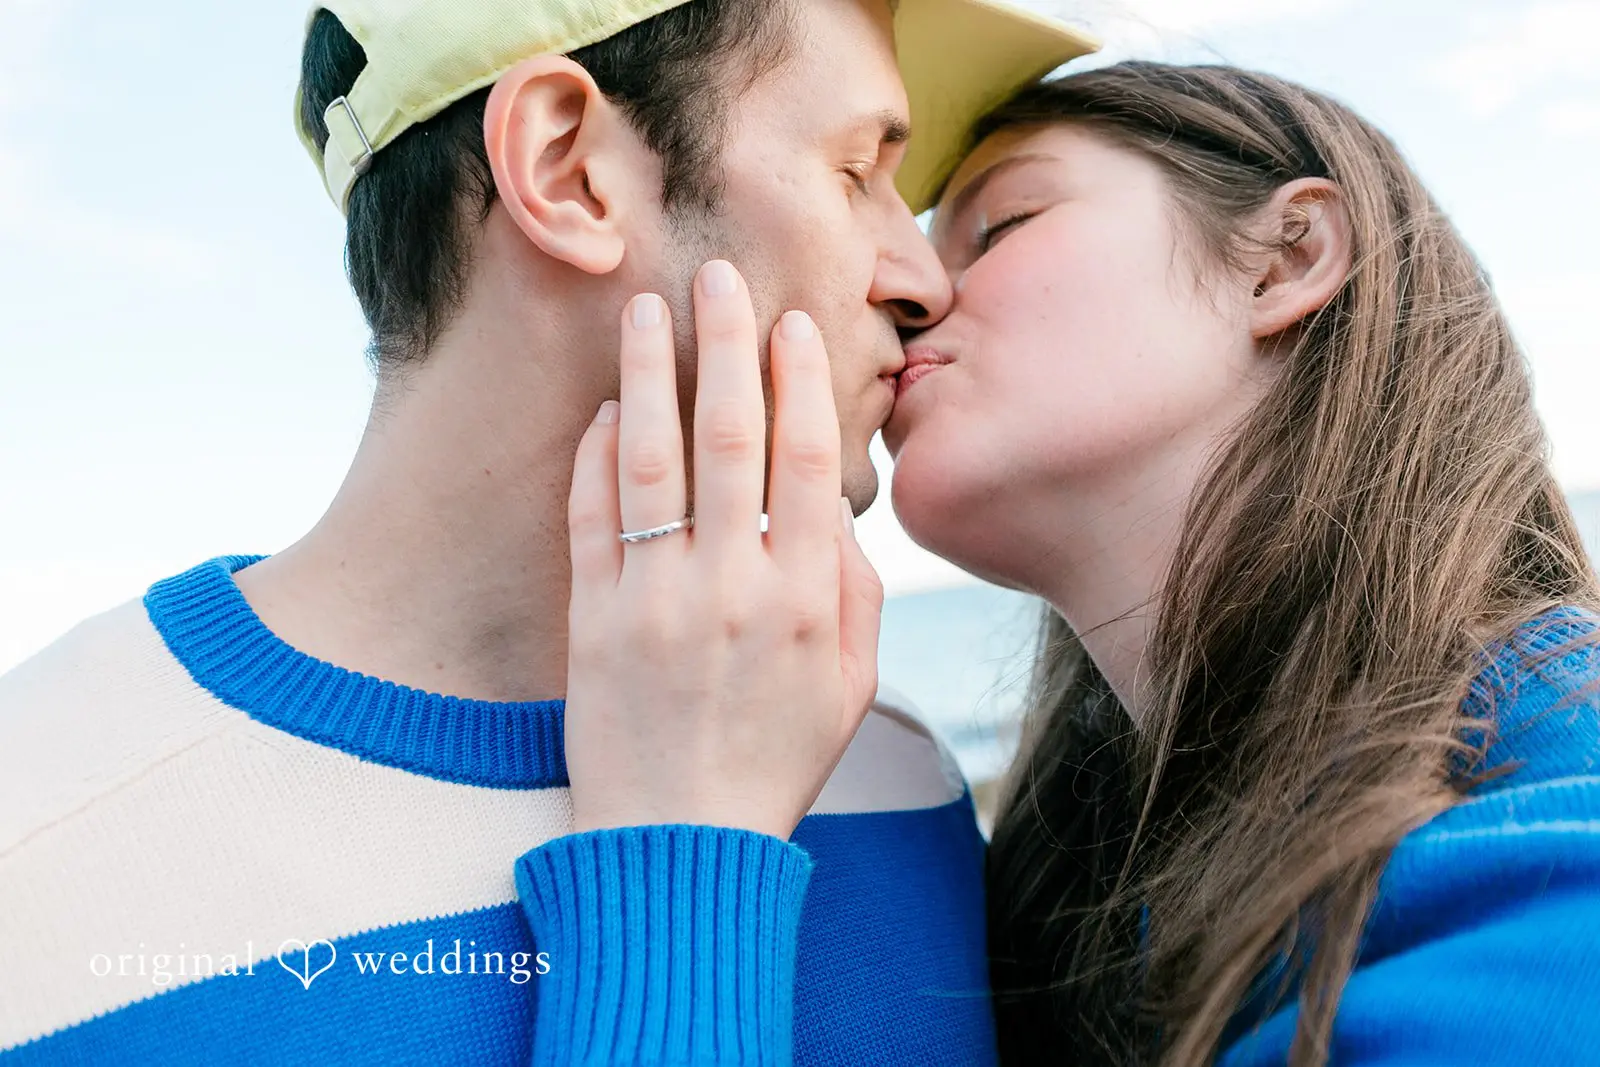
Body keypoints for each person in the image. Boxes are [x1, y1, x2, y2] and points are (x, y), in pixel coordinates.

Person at [0, 2, 1098, 1064]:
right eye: (856, 170)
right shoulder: (34, 854)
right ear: (567, 169)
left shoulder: (896, 765)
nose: (921, 278)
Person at [564, 61, 1600, 1066]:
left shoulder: (1555, 834)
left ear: (1284, 258)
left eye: (1004, 224)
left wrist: (681, 856)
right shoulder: (1074, 888)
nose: (914, 289)